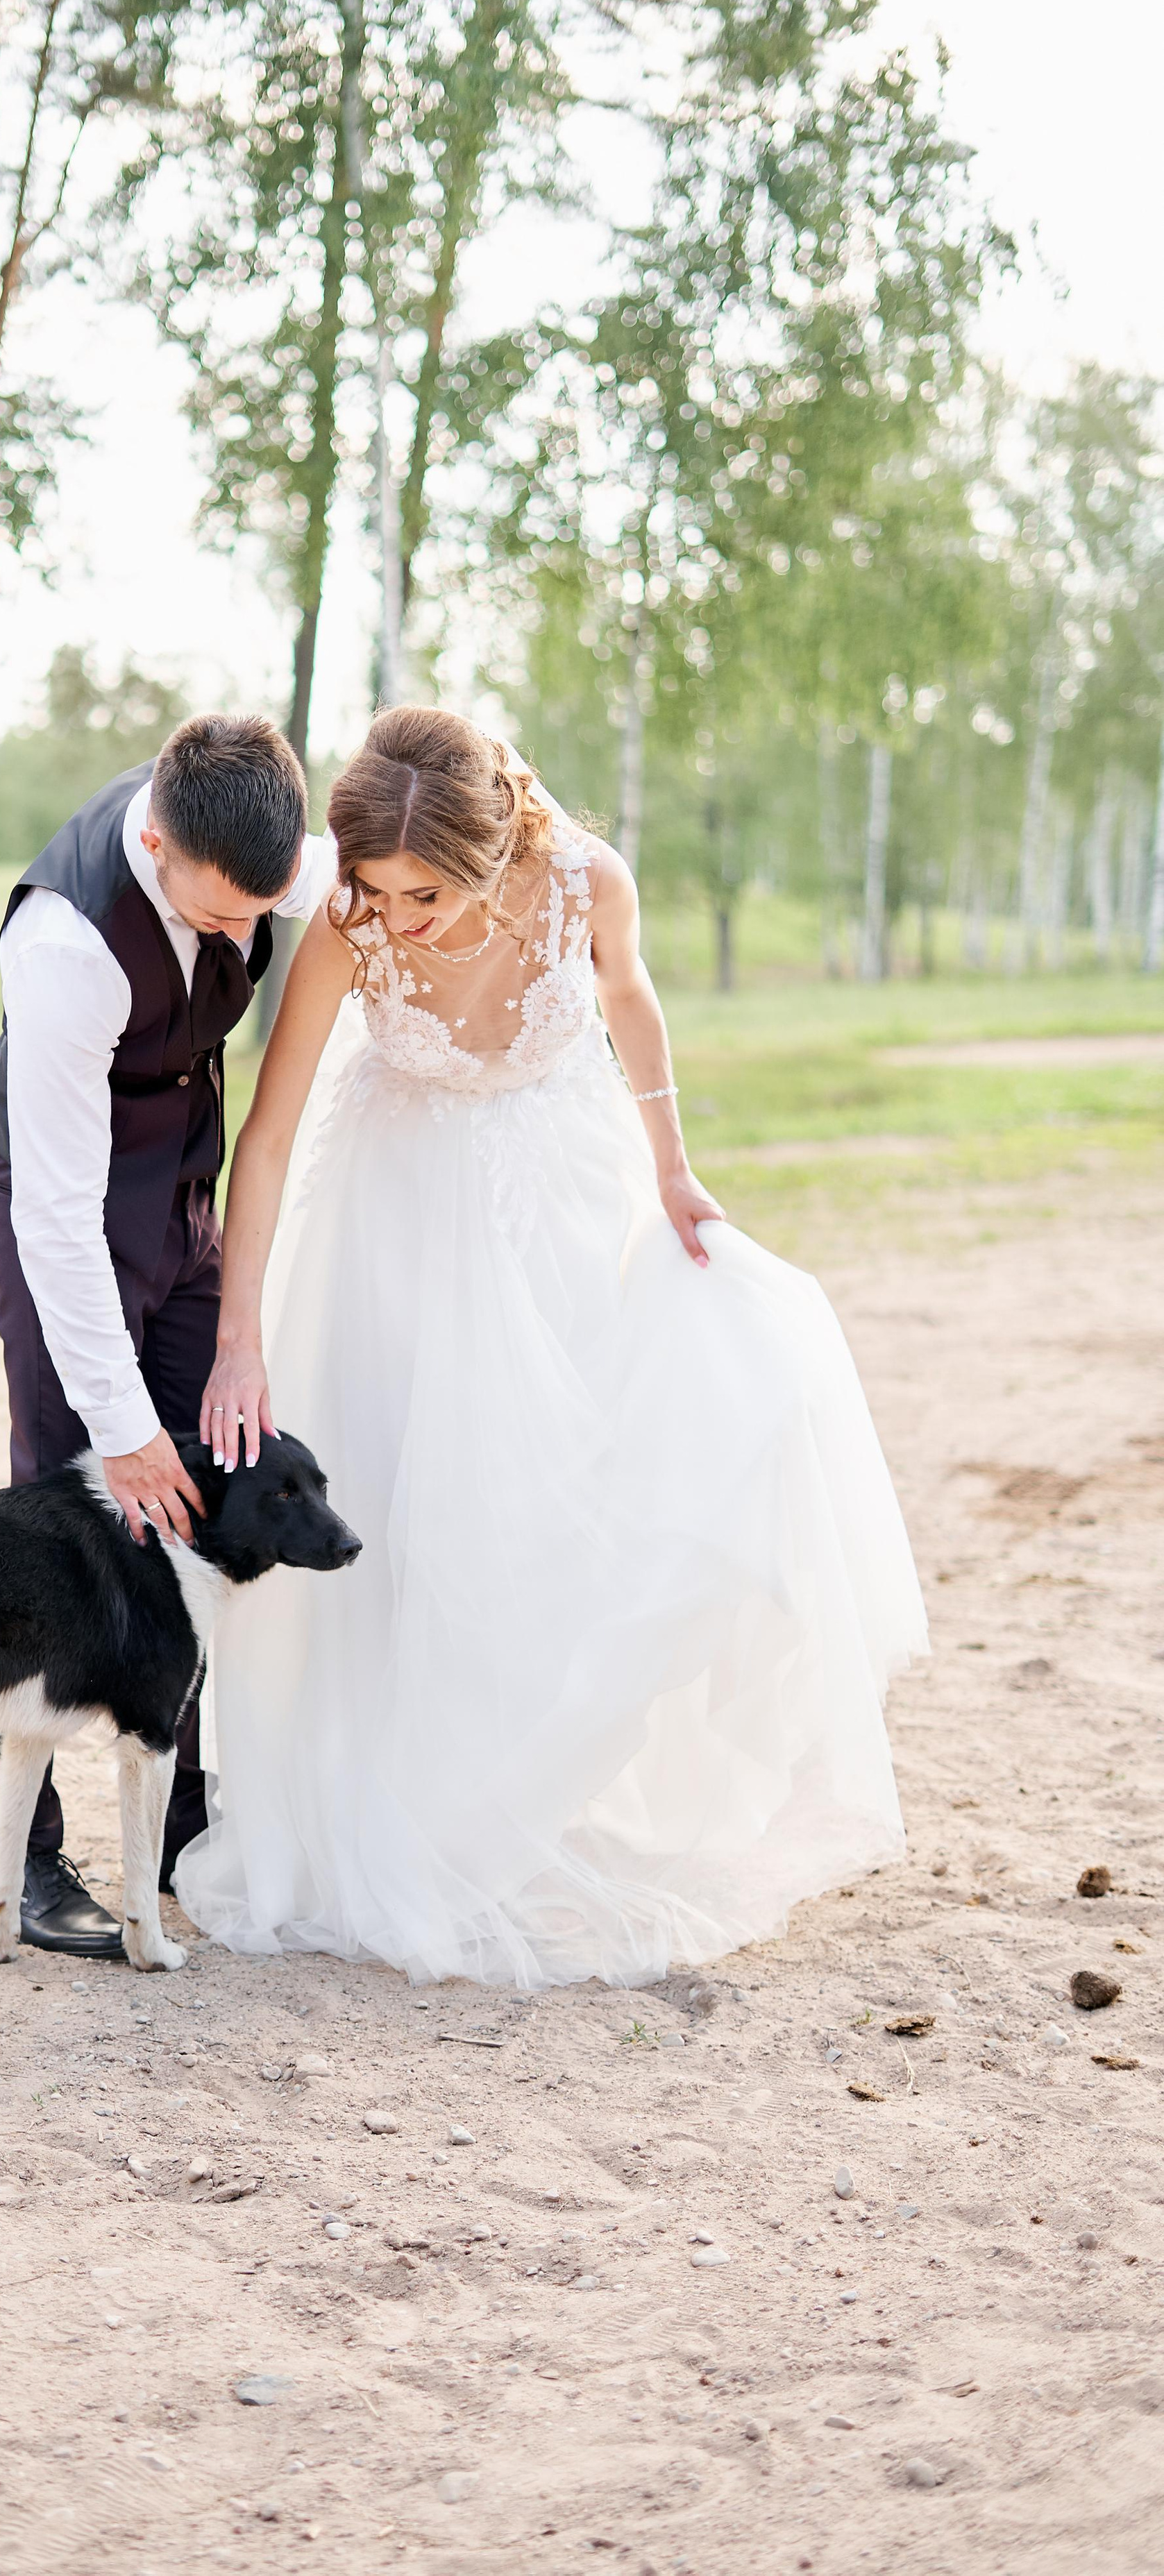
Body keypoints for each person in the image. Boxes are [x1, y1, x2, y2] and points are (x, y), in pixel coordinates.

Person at [180, 706, 926, 1990]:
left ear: (493, 854)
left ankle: (524, 1783)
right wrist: (240, 1338)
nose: (395, 920)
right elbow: (273, 1131)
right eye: (376, 889)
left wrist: (676, 1171)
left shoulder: (588, 880)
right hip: (398, 1225)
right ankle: (413, 1800)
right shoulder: (348, 927)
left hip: (556, 1202)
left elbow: (629, 1004)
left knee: (573, 1488)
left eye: (423, 893)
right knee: (412, 1515)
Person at [0, 711, 337, 1957]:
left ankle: (178, 1810)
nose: (247, 939)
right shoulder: (66, 942)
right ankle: (18, 1860)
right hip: (66, 1217)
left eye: (263, 911)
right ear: (159, 843)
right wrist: (123, 1434)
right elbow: (63, 1224)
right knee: (63, 1519)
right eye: (223, 915)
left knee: (212, 1493)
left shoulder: (271, 849)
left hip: (187, 1205)